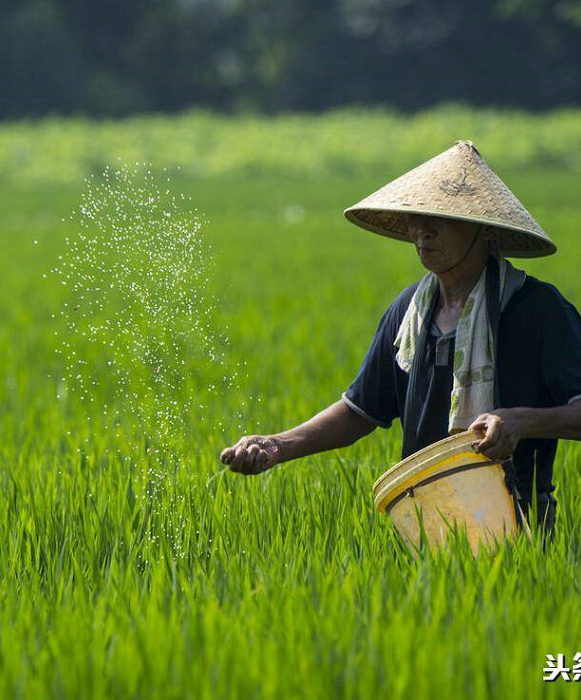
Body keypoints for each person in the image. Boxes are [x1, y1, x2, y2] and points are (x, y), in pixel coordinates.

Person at [219, 140, 581, 539]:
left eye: (441, 219)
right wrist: (278, 445)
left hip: (522, 525)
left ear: (483, 228)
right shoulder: (410, 312)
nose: (421, 232)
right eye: (416, 218)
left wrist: (521, 421)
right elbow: (360, 411)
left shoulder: (538, 311)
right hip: (424, 523)